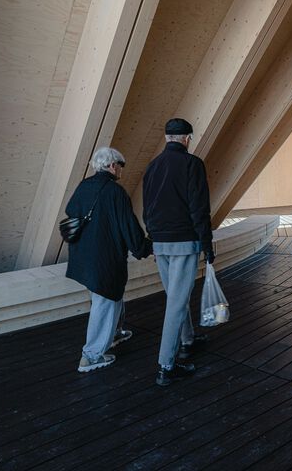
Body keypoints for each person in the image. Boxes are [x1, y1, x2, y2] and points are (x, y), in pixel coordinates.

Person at [65, 146, 151, 373]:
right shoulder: (115, 192)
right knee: (105, 302)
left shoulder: (84, 186)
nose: (121, 170)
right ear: (113, 166)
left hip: (84, 258)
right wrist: (143, 248)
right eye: (121, 166)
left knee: (109, 297)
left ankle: (114, 333)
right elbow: (128, 226)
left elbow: (71, 210)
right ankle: (91, 356)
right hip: (105, 260)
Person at [142, 117, 215, 386]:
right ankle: (166, 365)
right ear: (187, 139)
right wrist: (206, 243)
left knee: (175, 295)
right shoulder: (192, 164)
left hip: (159, 241)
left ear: (166, 138)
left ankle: (187, 339)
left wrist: (153, 235)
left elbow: (146, 208)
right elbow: (199, 207)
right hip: (184, 241)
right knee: (175, 302)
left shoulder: (152, 167)